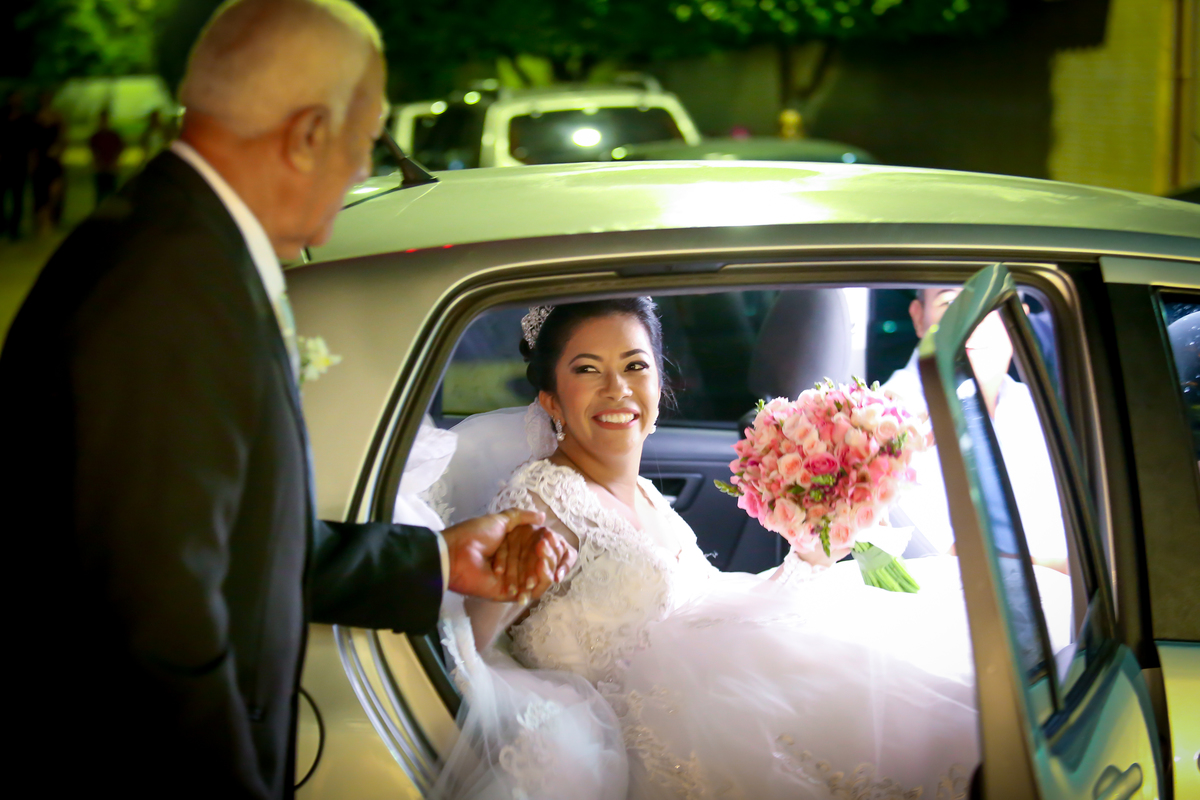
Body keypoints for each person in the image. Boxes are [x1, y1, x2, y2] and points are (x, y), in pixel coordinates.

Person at [0, 1, 573, 798]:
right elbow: (158, 622)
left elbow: (229, 539)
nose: (359, 174)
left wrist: (438, 560)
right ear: (307, 134)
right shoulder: (165, 292)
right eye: (366, 141)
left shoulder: (184, 248)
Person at [427, 298, 1016, 800]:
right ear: (552, 399)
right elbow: (479, 634)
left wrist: (811, 550)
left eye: (635, 365)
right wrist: (506, 588)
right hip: (663, 733)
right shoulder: (541, 496)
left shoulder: (649, 496)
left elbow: (707, 603)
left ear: (660, 383)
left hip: (723, 691)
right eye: (587, 370)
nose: (618, 389)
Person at [884, 288, 1070, 574]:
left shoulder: (1037, 407)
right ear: (919, 318)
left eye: (990, 302)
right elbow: (951, 562)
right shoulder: (887, 423)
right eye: (949, 302)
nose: (973, 321)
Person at [0, 89, 35, 239]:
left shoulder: (26, 118)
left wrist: (31, 162)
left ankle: (14, 228)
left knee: (18, 197)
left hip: (19, 162)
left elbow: (31, 142)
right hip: (3, 162)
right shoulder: (2, 117)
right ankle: (3, 225)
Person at [31, 90, 65, 235]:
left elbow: (64, 137)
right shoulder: (34, 118)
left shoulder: (57, 116)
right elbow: (30, 141)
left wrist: (60, 149)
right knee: (40, 192)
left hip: (53, 158)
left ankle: (51, 217)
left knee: (55, 190)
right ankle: (43, 221)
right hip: (40, 158)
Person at [88, 106, 124, 205]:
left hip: (110, 168)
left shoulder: (113, 135)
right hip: (101, 168)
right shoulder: (96, 136)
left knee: (109, 193)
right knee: (101, 193)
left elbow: (119, 149)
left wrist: (115, 161)